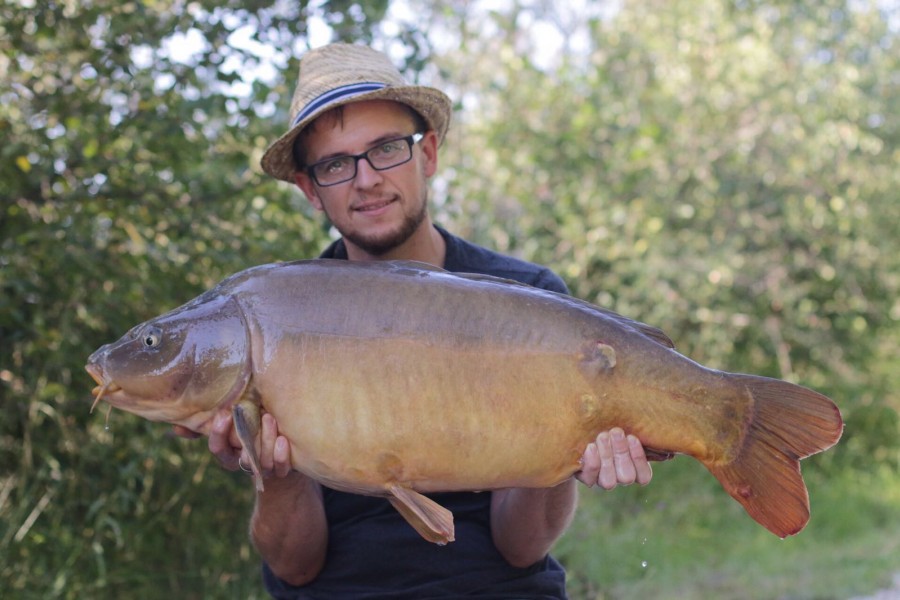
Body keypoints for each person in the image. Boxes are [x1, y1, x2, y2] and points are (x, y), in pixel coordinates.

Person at [177, 43, 652, 599]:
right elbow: (296, 567)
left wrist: (566, 454)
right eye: (335, 163)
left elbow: (521, 547)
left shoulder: (529, 299)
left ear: (426, 154)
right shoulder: (280, 315)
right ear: (310, 189)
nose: (366, 179)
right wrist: (275, 476)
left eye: (385, 149)